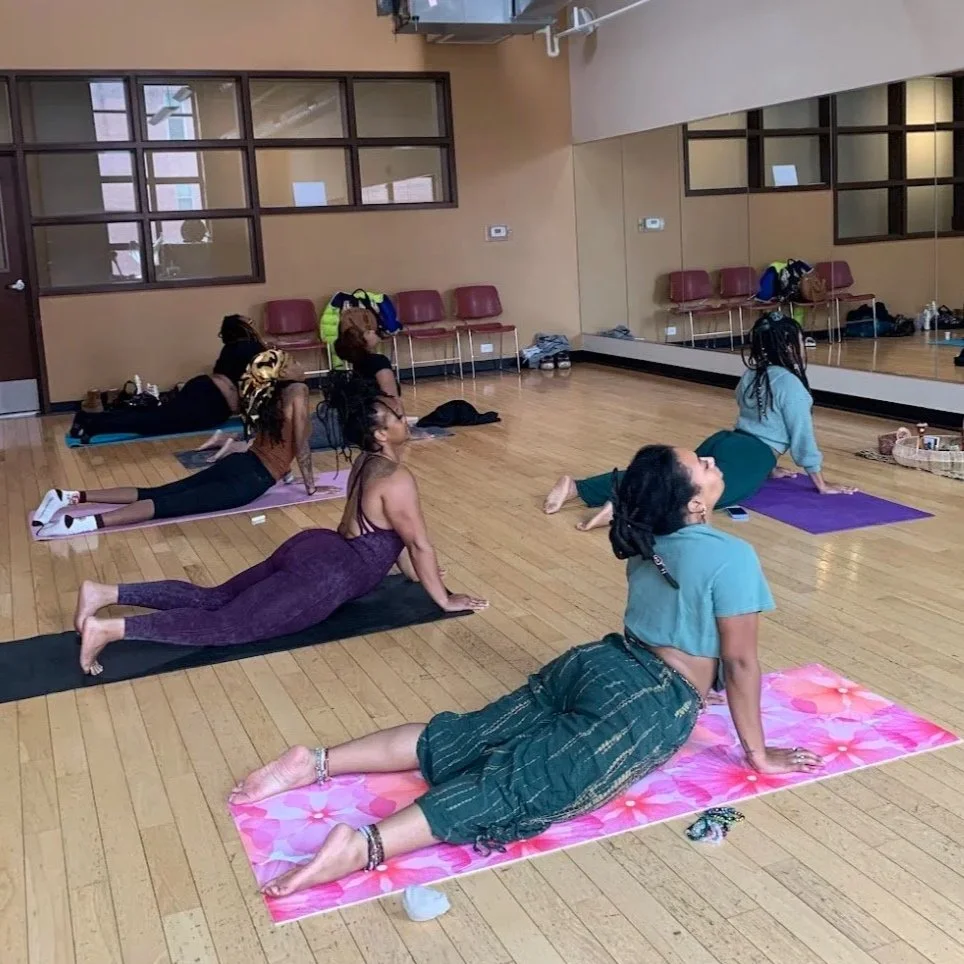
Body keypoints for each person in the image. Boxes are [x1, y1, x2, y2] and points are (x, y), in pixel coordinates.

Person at [224, 443, 823, 899]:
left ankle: (317, 762)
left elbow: (685, 621)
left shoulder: (647, 539)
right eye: (703, 464)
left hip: (598, 661)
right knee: (519, 784)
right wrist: (759, 753)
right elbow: (741, 662)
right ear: (693, 502)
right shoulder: (731, 557)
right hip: (647, 700)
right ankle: (364, 844)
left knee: (466, 734)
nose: (714, 459)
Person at [71, 371, 488, 675]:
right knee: (231, 624)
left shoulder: (368, 461)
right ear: (380, 435)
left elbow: (393, 539)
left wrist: (416, 578)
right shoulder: (397, 479)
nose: (406, 421)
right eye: (398, 419)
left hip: (314, 546)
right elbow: (418, 544)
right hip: (328, 573)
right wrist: (444, 598)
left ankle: (104, 591)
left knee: (215, 597)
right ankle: (110, 629)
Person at [544, 312, 856, 531]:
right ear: (790, 347)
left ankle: (578, 488)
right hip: (753, 455)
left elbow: (755, 416)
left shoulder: (753, 374)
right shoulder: (792, 385)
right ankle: (624, 511)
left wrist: (771, 469)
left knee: (672, 476)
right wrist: (821, 484)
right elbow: (802, 439)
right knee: (698, 500)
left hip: (725, 441)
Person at [35, 349, 316, 537]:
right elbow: (300, 442)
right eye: (294, 364)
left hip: (242, 464)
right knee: (165, 504)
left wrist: (288, 475)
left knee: (158, 492)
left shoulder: (268, 397)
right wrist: (310, 485)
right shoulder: (299, 392)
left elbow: (276, 439)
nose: (302, 366)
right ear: (283, 374)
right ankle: (76, 524)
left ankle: (69, 496)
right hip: (250, 479)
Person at [70, 315, 265, 443]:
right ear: (244, 328)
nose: (253, 323)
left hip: (203, 389)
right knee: (154, 422)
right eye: (249, 321)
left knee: (155, 417)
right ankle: (92, 424)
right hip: (210, 402)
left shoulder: (230, 348)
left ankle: (88, 420)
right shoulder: (253, 348)